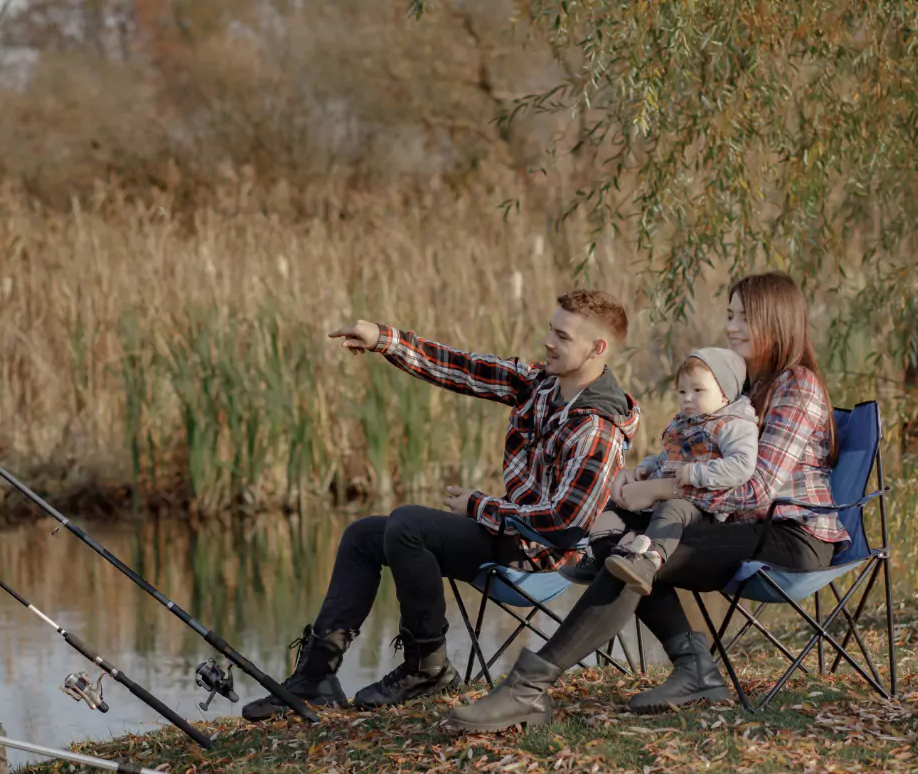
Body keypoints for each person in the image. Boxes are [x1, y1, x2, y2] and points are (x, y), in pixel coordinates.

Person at [440, 271, 848, 734]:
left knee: (633, 555)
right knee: (628, 544)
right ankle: (694, 669)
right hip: (742, 524)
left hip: (793, 538)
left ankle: (525, 689)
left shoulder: (796, 386)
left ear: (775, 320)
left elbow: (755, 491)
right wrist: (647, 476)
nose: (731, 327)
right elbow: (703, 459)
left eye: (743, 317)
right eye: (729, 315)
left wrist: (662, 490)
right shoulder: (745, 385)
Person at [240, 289, 640, 722]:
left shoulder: (597, 428)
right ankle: (316, 678)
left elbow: (566, 525)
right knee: (364, 536)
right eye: (550, 328)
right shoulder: (540, 385)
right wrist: (383, 339)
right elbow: (460, 367)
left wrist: (480, 506)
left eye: (561, 336)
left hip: (543, 557)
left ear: (597, 348)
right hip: (508, 536)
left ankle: (426, 667)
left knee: (409, 525)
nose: (547, 341)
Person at [587, 347, 757, 596]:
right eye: (682, 391)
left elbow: (742, 464)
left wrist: (696, 473)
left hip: (704, 509)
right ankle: (601, 555)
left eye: (698, 390)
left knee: (672, 509)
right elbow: (668, 457)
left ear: (725, 395)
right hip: (667, 494)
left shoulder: (733, 425)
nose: (687, 398)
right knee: (616, 504)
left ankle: (648, 561)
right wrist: (647, 466)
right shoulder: (684, 421)